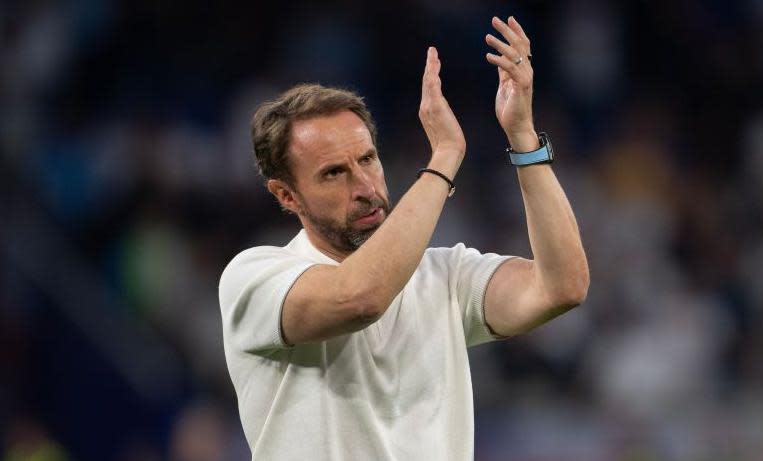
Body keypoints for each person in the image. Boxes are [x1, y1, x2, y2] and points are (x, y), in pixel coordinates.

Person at [219, 16, 589, 460]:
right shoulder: (255, 278)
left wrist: (523, 138)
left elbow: (562, 286)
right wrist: (446, 157)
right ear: (286, 194)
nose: (365, 186)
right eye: (334, 173)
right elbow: (362, 298)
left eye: (368, 159)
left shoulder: (446, 276)